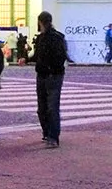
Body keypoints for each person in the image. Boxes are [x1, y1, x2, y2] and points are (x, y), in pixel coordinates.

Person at [33, 11, 66, 148]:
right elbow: (37, 56)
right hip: (44, 74)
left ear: (40, 22)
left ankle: (52, 136)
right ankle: (48, 134)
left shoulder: (53, 37)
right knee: (46, 107)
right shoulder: (45, 38)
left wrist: (52, 69)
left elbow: (59, 57)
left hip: (52, 75)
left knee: (49, 106)